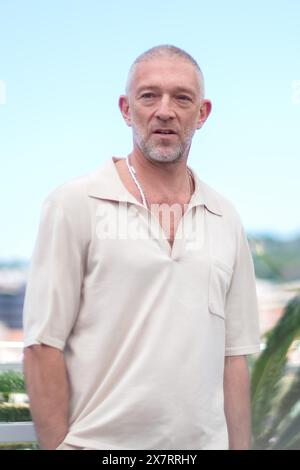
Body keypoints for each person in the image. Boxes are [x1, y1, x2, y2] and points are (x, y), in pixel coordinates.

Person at [23, 45, 260, 451]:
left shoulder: (226, 217)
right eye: (149, 95)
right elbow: (43, 345)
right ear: (126, 108)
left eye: (181, 98)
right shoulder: (74, 203)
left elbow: (234, 358)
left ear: (201, 114)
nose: (164, 110)